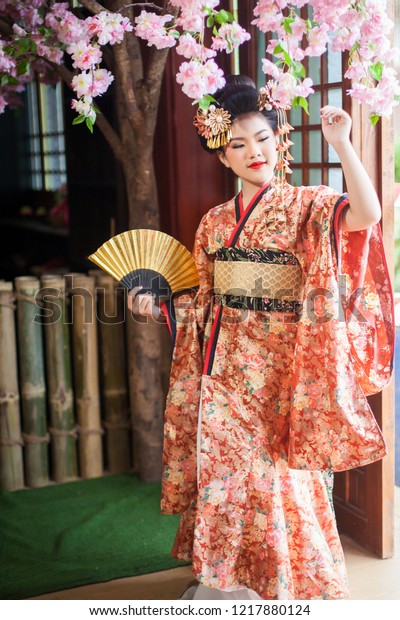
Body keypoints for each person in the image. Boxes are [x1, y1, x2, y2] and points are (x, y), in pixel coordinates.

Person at [128, 76, 394, 600]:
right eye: (239, 145)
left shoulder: (306, 204)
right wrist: (158, 305)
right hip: (224, 370)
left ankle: (283, 582)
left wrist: (341, 144)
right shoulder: (213, 224)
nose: (255, 152)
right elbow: (206, 300)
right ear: (222, 156)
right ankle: (227, 580)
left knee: (278, 476)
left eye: (264, 139)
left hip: (283, 369)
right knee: (226, 472)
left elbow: (367, 215)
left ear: (280, 142)